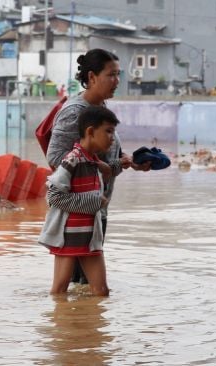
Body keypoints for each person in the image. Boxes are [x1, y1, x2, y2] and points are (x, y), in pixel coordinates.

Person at [46, 48, 150, 285]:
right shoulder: (75, 113)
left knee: (85, 289)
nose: (116, 81)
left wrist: (130, 162)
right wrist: (104, 166)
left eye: (118, 75)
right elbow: (56, 157)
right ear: (92, 77)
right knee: (80, 287)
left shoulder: (101, 109)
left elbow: (104, 152)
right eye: (111, 75)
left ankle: (78, 319)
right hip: (78, 213)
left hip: (96, 208)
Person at [39, 105, 120, 296]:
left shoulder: (93, 162)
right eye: (108, 131)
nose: (112, 138)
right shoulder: (72, 159)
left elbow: (108, 170)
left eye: (113, 132)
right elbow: (54, 195)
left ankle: (89, 324)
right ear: (90, 131)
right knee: (59, 291)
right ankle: (59, 325)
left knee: (101, 292)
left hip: (90, 238)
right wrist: (93, 202)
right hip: (68, 238)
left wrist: (125, 163)